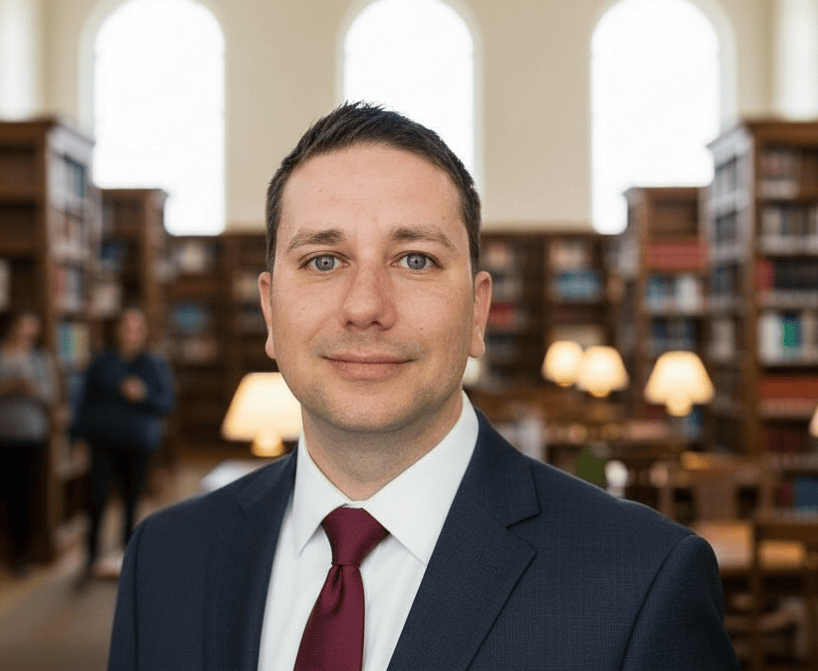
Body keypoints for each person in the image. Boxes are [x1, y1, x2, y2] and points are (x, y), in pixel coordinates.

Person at [108, 103, 740, 670]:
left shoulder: (643, 581)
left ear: (476, 312)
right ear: (271, 314)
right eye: (323, 260)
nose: (365, 307)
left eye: (415, 260)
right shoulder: (164, 560)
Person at [72, 307, 175, 581]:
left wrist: (142, 394)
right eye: (125, 326)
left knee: (131, 504)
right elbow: (83, 402)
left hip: (137, 444)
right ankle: (90, 560)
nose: (130, 333)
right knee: (96, 499)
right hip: (102, 442)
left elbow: (166, 404)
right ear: (116, 329)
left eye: (136, 327)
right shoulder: (102, 362)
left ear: (143, 332)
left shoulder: (154, 364)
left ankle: (125, 561)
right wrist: (77, 438)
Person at [0, 312, 56, 574]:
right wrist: (8, 387)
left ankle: (23, 552)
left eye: (31, 328)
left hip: (31, 436)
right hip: (3, 435)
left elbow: (51, 395)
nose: (26, 332)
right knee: (6, 495)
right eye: (22, 326)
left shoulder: (39, 358)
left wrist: (31, 388)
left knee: (26, 495)